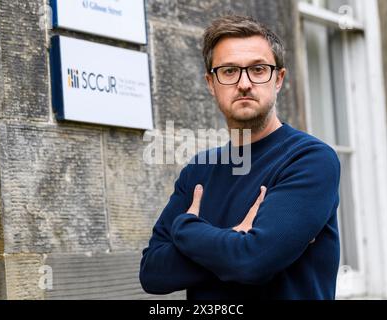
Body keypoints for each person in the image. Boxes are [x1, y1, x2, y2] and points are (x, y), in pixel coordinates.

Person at [139, 15, 341, 300]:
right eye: (229, 71)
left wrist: (187, 230)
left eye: (258, 69)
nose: (244, 83)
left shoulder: (310, 160)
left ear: (278, 79)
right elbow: (152, 272)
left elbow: (253, 262)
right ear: (211, 83)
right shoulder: (199, 170)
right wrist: (235, 239)